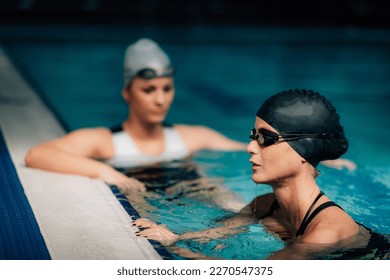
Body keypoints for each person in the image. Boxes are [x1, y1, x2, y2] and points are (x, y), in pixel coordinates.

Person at [133, 89, 389, 259]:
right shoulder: (264, 205)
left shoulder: (326, 232)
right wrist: (173, 237)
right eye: (252, 136)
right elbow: (212, 234)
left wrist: (180, 250)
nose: (250, 147)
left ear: (304, 150)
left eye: (265, 138)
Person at [24, 38, 246, 192]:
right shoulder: (106, 141)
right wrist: (106, 171)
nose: (160, 100)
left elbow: (249, 153)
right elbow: (38, 155)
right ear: (127, 93)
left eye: (167, 89)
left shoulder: (193, 136)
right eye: (148, 90)